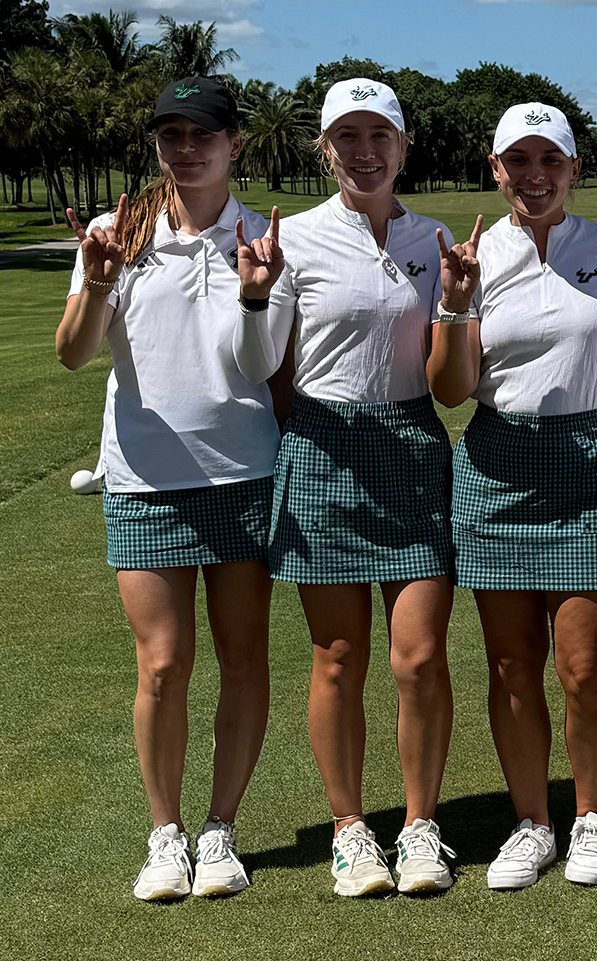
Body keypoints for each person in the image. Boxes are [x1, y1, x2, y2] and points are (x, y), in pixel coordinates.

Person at [54, 77, 284, 901]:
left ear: (235, 144)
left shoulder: (262, 236)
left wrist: (257, 294)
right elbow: (74, 353)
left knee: (242, 659)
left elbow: (258, 368)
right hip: (143, 477)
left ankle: (220, 830)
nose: (187, 149)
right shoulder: (119, 233)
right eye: (172, 134)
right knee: (162, 666)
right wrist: (101, 278)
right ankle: (165, 836)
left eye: (204, 135)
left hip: (243, 475)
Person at [233, 78, 459, 897]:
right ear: (324, 149)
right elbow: (261, 366)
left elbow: (450, 370)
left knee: (419, 656)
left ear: (403, 148)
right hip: (324, 447)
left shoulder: (433, 239)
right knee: (337, 656)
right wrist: (257, 294)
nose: (365, 153)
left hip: (410, 445)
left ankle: (421, 825)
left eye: (380, 137)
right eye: (347, 138)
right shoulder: (289, 239)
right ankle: (351, 830)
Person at [425, 104, 597, 889]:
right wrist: (454, 301)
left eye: (551, 159)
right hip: (496, 461)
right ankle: (531, 821)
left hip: (588, 462)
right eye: (519, 160)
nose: (535, 175)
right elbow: (450, 391)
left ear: (574, 169)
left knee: (584, 670)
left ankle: (589, 818)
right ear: (495, 169)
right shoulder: (475, 256)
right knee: (514, 665)